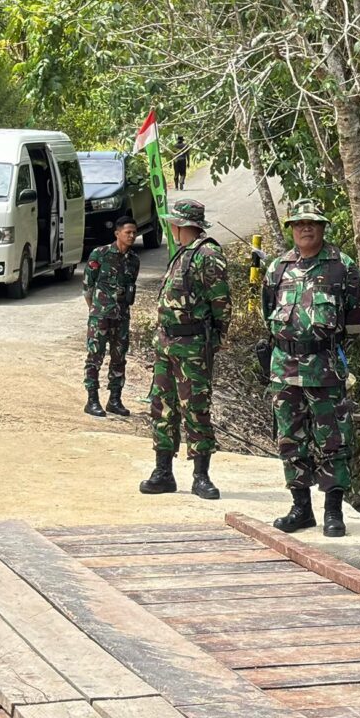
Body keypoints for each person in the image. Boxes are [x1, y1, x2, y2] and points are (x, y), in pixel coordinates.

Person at [262, 202, 360, 538]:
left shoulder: (342, 267)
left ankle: (333, 512)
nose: (306, 229)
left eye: (312, 224)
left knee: (333, 439)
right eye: (299, 224)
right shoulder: (278, 268)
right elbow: (268, 311)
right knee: (290, 438)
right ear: (291, 228)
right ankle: (301, 509)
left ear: (323, 227)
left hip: (324, 366)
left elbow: (357, 315)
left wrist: (326, 344)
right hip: (285, 366)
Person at [142, 198, 228, 500]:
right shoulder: (182, 253)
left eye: (173, 223)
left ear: (181, 225)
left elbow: (221, 305)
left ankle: (201, 475)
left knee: (195, 408)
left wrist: (212, 341)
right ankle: (163, 471)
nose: (171, 228)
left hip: (192, 345)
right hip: (166, 344)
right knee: (162, 407)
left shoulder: (207, 254)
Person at [84, 218, 143, 417]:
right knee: (95, 357)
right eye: (128, 232)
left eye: (134, 232)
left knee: (119, 359)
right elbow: (88, 287)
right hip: (100, 315)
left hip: (122, 316)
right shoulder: (100, 254)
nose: (132, 236)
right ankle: (92, 399)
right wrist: (95, 309)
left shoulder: (134, 260)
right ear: (117, 233)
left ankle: (115, 400)